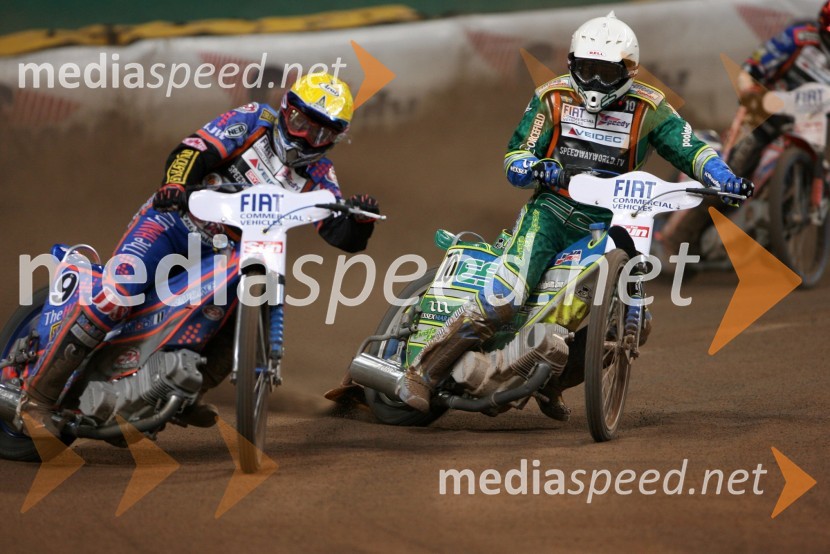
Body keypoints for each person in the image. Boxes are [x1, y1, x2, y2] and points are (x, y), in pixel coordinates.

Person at [397, 12, 754, 416]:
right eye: (587, 69)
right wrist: (535, 168)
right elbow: (516, 156)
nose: (596, 82)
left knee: (632, 322)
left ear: (628, 70)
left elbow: (693, 149)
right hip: (550, 212)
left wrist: (723, 177)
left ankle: (550, 382)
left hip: (611, 222)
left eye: (606, 72)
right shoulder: (551, 97)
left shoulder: (651, 108)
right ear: (572, 64)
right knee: (506, 298)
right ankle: (420, 373)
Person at [20, 72, 379, 433]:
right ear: (287, 109)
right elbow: (192, 150)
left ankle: (181, 392)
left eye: (320, 132)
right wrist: (175, 185)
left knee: (239, 314)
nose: (305, 137)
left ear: (334, 138)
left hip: (230, 254)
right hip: (175, 224)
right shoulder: (254, 120)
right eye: (301, 122)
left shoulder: (320, 173)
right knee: (119, 293)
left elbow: (339, 232)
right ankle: (37, 398)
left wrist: (359, 221)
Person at [662, 1, 830, 255]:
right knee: (730, 172)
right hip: (767, 116)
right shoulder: (799, 37)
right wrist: (750, 86)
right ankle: (679, 237)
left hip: (814, 125)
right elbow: (756, 63)